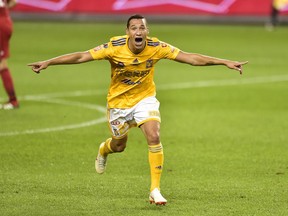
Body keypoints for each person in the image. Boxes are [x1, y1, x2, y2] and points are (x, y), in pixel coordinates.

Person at [28, 14, 248, 205]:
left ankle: (155, 190)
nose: (138, 31)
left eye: (142, 27)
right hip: (118, 104)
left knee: (154, 135)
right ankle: (104, 149)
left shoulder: (157, 47)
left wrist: (224, 62)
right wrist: (49, 62)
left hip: (145, 99)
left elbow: (191, 58)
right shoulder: (114, 47)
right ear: (128, 32)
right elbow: (81, 56)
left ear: (147, 31)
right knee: (119, 145)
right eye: (134, 28)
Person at [0, 0, 19, 110]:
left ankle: (13, 101)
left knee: (2, 64)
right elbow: (13, 2)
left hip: (1, 27)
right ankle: (12, 100)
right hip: (5, 22)